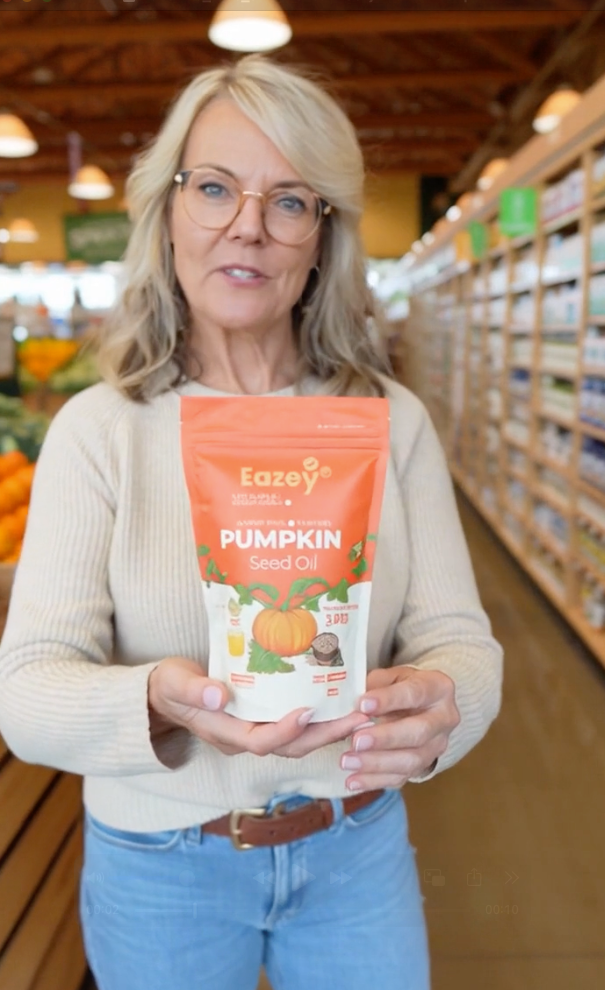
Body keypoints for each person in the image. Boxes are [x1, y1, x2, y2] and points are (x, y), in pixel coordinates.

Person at [0, 55, 503, 990]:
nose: (247, 225)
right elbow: (25, 694)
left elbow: (459, 643)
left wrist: (445, 709)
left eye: (289, 200)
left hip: (355, 849)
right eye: (214, 188)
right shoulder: (100, 431)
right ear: (167, 212)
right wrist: (160, 702)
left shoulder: (388, 421)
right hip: (159, 865)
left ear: (322, 237)